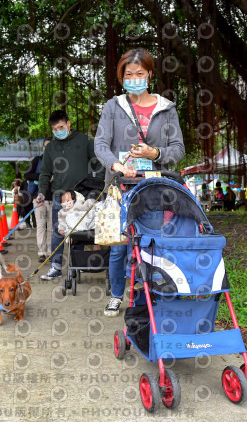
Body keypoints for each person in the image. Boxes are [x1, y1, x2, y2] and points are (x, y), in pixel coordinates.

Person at [94, 48, 185, 317]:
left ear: (150, 75)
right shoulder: (113, 106)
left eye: (140, 73)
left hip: (154, 187)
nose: (135, 78)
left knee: (151, 243)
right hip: (120, 186)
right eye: (129, 74)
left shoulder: (166, 108)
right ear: (122, 77)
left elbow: (178, 148)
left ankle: (149, 295)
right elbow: (100, 144)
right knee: (119, 245)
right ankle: (115, 295)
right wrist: (118, 166)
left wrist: (154, 153)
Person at [37, 110, 103, 280]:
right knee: (58, 231)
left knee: (79, 231)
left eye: (60, 127)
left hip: (81, 197)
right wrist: (42, 192)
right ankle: (56, 267)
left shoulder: (85, 140)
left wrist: (98, 187)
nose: (58, 131)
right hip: (60, 195)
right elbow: (44, 172)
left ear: (68, 124)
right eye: (54, 129)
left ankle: (76, 266)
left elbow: (98, 163)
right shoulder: (51, 147)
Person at [26, 138, 52, 262]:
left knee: (52, 228)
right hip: (39, 198)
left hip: (54, 199)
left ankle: (50, 252)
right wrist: (44, 177)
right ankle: (42, 252)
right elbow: (27, 174)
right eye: (46, 146)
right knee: (41, 226)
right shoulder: (38, 160)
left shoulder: (59, 161)